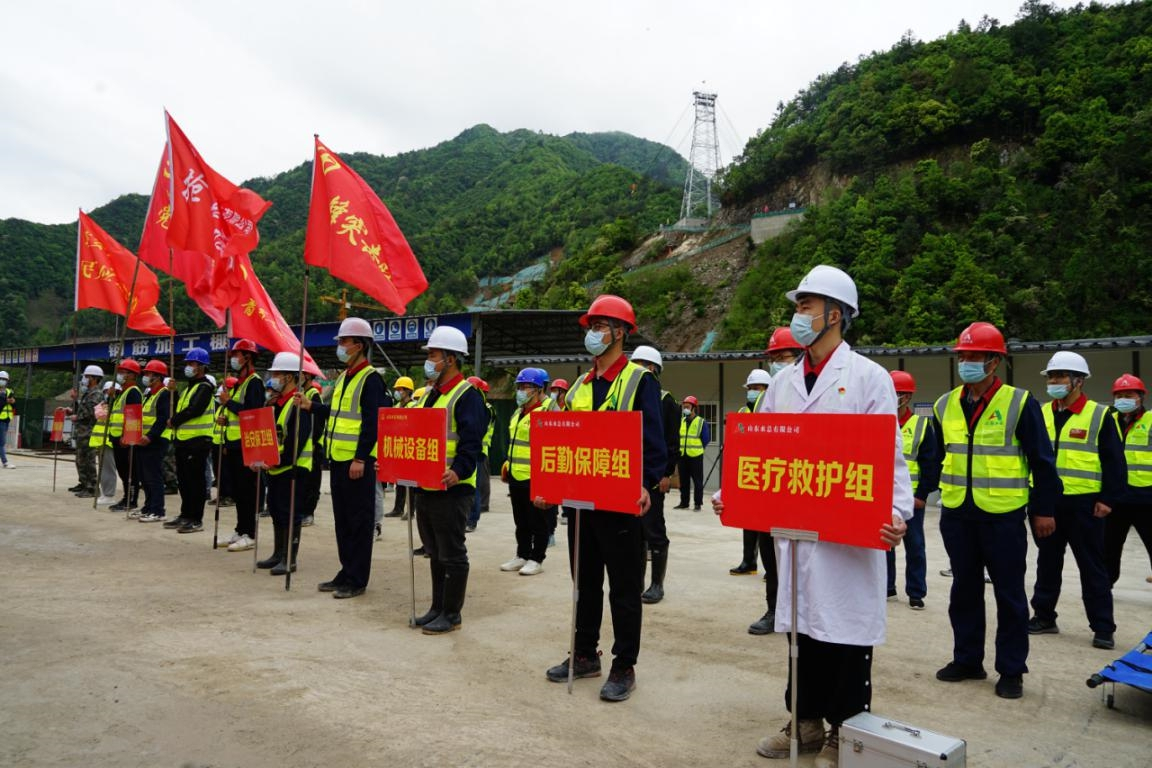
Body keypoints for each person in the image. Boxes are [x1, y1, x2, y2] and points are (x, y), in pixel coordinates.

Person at [714, 265, 911, 766]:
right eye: (797, 306)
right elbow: (761, 453)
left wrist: (895, 513)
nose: (798, 315)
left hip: (848, 536)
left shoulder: (868, 378)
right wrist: (734, 494)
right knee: (801, 629)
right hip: (796, 530)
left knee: (844, 631)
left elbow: (888, 457)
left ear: (836, 314)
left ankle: (844, 730)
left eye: (806, 306)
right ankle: (803, 721)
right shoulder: (782, 384)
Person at [542, 294, 666, 703]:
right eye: (591, 327)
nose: (592, 334)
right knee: (585, 583)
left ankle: (624, 665)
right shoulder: (580, 384)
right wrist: (550, 486)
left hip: (621, 503)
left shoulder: (640, 380)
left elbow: (654, 445)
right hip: (581, 503)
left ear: (620, 332)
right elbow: (563, 439)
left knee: (625, 589)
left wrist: (646, 484)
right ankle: (584, 654)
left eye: (599, 326)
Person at [932, 321, 1060, 702]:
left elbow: (1042, 461)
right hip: (958, 513)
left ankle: (1011, 669)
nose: (967, 363)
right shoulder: (944, 405)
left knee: (1009, 594)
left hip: (1003, 516)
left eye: (975, 356)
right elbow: (934, 459)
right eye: (963, 356)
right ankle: (967, 659)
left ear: (994, 362)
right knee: (964, 590)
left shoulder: (1019, 403)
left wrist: (1043, 510)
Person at [1028, 351, 1124, 650]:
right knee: (1047, 562)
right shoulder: (1040, 412)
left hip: (1085, 505)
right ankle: (1044, 616)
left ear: (1078, 381)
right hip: (1047, 503)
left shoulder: (1099, 415)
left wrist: (1108, 499)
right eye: (1051, 376)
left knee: (1092, 567)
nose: (1053, 382)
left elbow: (1114, 461)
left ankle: (1103, 627)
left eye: (1060, 376)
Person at [298, 318, 386, 599]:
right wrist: (312, 406)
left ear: (359, 345)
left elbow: (373, 423)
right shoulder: (344, 377)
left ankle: (357, 579)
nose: (340, 346)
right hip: (338, 459)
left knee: (359, 522)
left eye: (344, 342)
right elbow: (336, 414)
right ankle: (346, 571)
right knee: (344, 521)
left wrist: (361, 458)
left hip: (356, 463)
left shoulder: (371, 379)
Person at [409, 326, 487, 633]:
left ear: (451, 359)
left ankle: (452, 614)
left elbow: (472, 443)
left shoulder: (468, 396)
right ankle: (437, 608)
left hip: (453, 488)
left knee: (452, 553)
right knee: (435, 552)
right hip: (428, 485)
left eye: (433, 355)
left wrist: (458, 471)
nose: (428, 361)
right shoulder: (431, 395)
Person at [887, 370, 942, 610]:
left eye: (896, 393)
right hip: (883, 496)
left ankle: (916, 592)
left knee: (915, 546)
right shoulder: (881, 420)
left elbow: (931, 463)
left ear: (907, 397)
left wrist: (922, 495)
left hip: (910, 499)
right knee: (884, 544)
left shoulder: (921, 425)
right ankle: (887, 587)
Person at [629, 345, 679, 604]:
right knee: (634, 532)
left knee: (653, 528)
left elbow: (671, 441)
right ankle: (635, 582)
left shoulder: (665, 400)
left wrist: (666, 473)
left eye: (641, 365)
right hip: (628, 473)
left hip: (653, 475)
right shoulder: (626, 396)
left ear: (653, 370)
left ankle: (657, 584)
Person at [255, 353, 312, 576]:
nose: (273, 378)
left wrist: (277, 461)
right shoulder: (278, 403)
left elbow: (297, 441)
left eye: (277, 374)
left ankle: (290, 559)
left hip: (293, 468)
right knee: (277, 510)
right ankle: (278, 554)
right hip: (277, 468)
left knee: (290, 514)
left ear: (289, 377)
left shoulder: (298, 403)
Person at [500, 367, 556, 577]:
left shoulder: (550, 411)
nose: (521, 391)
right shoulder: (518, 411)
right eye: (519, 387)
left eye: (526, 387)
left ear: (539, 389)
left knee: (539, 521)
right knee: (521, 520)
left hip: (537, 476)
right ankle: (522, 555)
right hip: (516, 474)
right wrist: (508, 464)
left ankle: (537, 558)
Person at [218, 339, 265, 552]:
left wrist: (228, 403)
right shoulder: (240, 383)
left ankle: (250, 534)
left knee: (247, 492)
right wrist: (226, 418)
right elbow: (238, 413)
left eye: (237, 355)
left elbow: (252, 412)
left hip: (247, 445)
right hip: (234, 444)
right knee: (238, 491)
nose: (233, 359)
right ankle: (240, 529)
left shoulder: (254, 382)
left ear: (247, 357)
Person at [162, 348, 215, 534]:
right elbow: (180, 407)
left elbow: (194, 410)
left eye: (192, 363)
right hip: (184, 441)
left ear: (202, 367)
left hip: (198, 442)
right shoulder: (189, 388)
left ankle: (195, 519)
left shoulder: (205, 387)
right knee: (184, 481)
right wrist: (174, 393)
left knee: (195, 482)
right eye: (188, 363)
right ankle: (185, 514)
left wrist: (174, 421)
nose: (188, 367)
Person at [1106, 374, 1152, 585]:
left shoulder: (1150, 420)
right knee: (1109, 546)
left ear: (1141, 397)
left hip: (1146, 497)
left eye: (1129, 395)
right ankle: (1105, 586)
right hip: (1115, 498)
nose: (1123, 399)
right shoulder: (1108, 420)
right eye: (1119, 395)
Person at [136, 360, 172, 523]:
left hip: (156, 440)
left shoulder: (164, 394)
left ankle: (158, 510)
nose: (145, 376)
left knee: (154, 476)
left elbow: (162, 419)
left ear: (158, 376)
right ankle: (148, 507)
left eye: (149, 374)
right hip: (144, 440)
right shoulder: (149, 394)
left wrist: (150, 436)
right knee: (145, 476)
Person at [109, 360, 143, 512]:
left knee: (130, 472)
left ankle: (131, 500)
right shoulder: (121, 392)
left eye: (124, 372)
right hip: (117, 437)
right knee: (123, 471)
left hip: (125, 440)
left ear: (132, 375)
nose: (120, 375)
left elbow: (133, 417)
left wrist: (126, 436)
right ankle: (126, 497)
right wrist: (110, 397)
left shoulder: (133, 392)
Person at [66, 365, 105, 497]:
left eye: (87, 377)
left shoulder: (96, 394)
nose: (84, 379)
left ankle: (92, 487)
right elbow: (83, 410)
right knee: (80, 459)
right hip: (82, 431)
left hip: (89, 431)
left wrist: (76, 417)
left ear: (94, 378)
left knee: (89, 460)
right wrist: (74, 403)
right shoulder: (88, 393)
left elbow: (91, 413)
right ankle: (84, 482)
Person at [383, 375, 417, 519]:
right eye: (397, 389)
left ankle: (411, 511)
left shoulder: (414, 406)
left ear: (408, 390)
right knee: (399, 481)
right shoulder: (396, 406)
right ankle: (398, 508)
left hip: (410, 447)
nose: (398, 392)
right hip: (398, 447)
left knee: (411, 482)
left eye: (400, 389)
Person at [466, 375, 494, 533]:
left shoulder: (486, 408)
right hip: (471, 450)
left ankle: (473, 518)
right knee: (473, 484)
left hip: (479, 450)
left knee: (477, 485)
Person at [674, 395, 710, 510]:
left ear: (694, 408)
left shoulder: (701, 422)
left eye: (688, 407)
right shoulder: (681, 421)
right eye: (684, 407)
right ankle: (684, 503)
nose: (685, 409)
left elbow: (706, 439)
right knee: (684, 481)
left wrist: (698, 449)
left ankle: (697, 503)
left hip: (696, 456)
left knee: (697, 481)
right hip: (682, 455)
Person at [91, 380, 121, 504]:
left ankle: (109, 494)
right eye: (105, 391)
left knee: (108, 468)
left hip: (109, 441)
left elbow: (103, 415)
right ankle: (105, 493)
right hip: (101, 441)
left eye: (109, 392)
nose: (107, 394)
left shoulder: (115, 405)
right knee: (103, 468)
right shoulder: (105, 404)